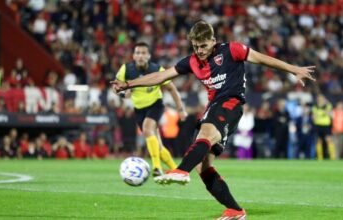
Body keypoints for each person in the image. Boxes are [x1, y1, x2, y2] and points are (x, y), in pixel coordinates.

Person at [111, 21, 315, 219]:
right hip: (214, 107)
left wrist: (294, 69)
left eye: (203, 45)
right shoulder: (191, 61)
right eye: (195, 46)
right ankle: (235, 211)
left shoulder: (231, 50)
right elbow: (160, 77)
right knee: (203, 166)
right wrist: (129, 84)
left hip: (231, 103)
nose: (199, 50)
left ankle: (181, 170)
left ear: (213, 40)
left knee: (205, 134)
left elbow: (263, 59)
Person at [115, 42, 187, 176]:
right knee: (157, 146)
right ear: (133, 56)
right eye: (138, 53)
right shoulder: (125, 69)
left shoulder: (157, 69)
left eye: (143, 53)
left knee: (148, 129)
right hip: (139, 109)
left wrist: (180, 109)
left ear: (148, 56)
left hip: (155, 105)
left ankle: (156, 167)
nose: (140, 56)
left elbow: (172, 88)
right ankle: (178, 170)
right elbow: (116, 87)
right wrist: (123, 93)